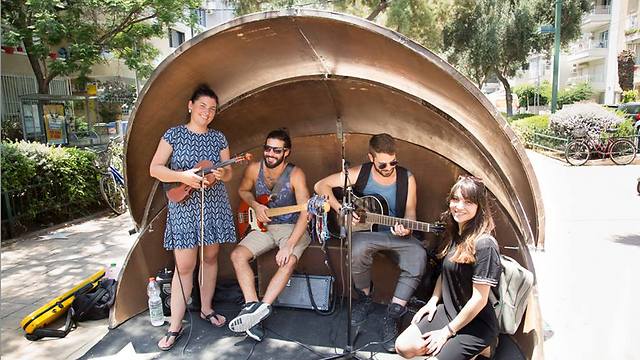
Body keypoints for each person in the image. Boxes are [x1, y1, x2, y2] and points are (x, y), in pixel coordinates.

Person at [314, 133, 426, 352]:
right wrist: (342, 210)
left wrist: (407, 226)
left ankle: (394, 312)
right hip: (366, 233)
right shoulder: (360, 172)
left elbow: (411, 214)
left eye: (393, 162)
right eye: (382, 164)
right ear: (371, 157)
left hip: (396, 234)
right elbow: (321, 185)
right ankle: (364, 297)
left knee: (418, 254)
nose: (388, 167)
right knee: (357, 248)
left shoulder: (406, 178)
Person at [150, 84, 236, 351]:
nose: (207, 112)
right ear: (190, 106)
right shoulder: (174, 134)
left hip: (214, 206)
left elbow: (228, 172)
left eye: (212, 109)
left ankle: (206, 308)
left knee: (210, 258)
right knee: (185, 267)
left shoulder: (219, 138)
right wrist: (182, 176)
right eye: (202, 106)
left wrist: (223, 175)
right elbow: (155, 169)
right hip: (184, 208)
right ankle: (175, 325)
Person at [395, 175, 501, 360]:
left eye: (468, 202)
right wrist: (432, 302)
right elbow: (445, 273)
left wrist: (446, 332)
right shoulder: (455, 233)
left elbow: (479, 299)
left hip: (477, 323)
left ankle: (485, 347)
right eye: (455, 199)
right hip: (451, 311)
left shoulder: (485, 244)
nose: (459, 206)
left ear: (479, 207)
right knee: (403, 346)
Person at [228, 129, 312, 341]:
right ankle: (252, 307)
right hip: (263, 226)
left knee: (288, 260)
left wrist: (289, 245)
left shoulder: (295, 174)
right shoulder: (254, 168)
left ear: (286, 152)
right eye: (267, 148)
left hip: (293, 227)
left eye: (276, 150)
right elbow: (243, 191)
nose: (270, 154)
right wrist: (255, 205)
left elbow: (306, 212)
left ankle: (264, 307)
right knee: (237, 256)